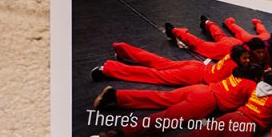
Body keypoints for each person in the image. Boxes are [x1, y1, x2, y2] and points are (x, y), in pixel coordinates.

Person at [94, 64, 262, 137]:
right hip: (207, 101)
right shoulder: (252, 86)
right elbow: (255, 104)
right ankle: (120, 132)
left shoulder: (236, 76)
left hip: (199, 88)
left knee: (160, 97)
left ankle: (115, 96)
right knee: (167, 117)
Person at [92, 42, 248, 86]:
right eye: (245, 58)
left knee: (160, 62)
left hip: (197, 66)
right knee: (156, 76)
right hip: (195, 75)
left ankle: (123, 50)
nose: (247, 61)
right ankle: (108, 69)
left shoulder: (231, 54)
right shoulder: (237, 68)